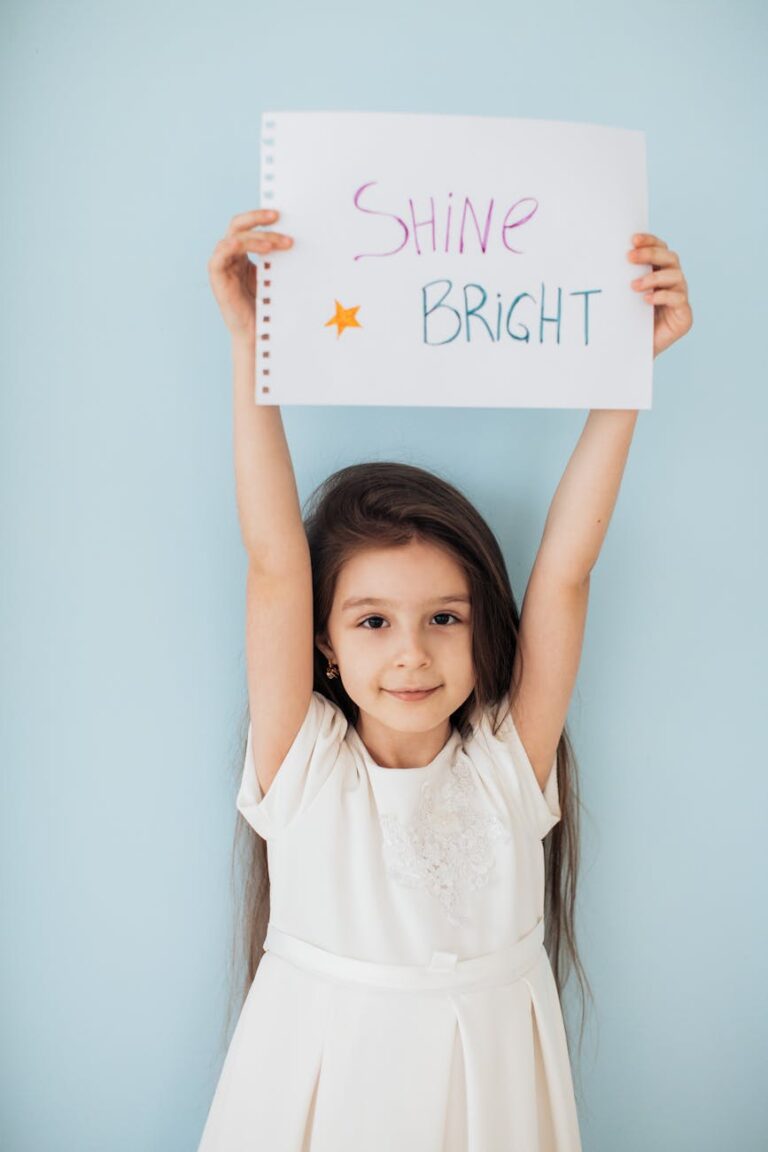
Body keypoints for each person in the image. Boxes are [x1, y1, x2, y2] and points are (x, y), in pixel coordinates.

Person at [197, 207, 693, 1151]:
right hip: (323, 1077)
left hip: (490, 1084)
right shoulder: (302, 767)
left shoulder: (509, 763)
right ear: (325, 645)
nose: (412, 653)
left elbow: (565, 573)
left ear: (483, 630)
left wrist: (632, 369)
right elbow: (272, 560)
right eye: (373, 621)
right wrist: (250, 344)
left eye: (445, 618)